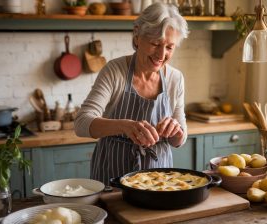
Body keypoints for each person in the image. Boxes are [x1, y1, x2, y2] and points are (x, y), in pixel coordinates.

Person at [74, 2, 189, 185]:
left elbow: (179, 140)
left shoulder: (175, 78)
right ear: (137, 36)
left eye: (169, 47)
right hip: (112, 175)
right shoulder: (115, 71)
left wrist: (175, 130)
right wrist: (125, 126)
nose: (161, 54)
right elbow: (81, 123)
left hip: (158, 179)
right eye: (155, 44)